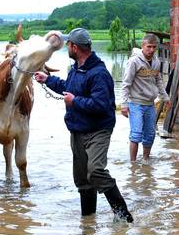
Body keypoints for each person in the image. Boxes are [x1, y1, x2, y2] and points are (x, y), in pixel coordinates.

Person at [34, 28, 133, 222]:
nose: (67, 49)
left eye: (68, 45)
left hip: (98, 130)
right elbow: (68, 88)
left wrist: (75, 101)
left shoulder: (99, 73)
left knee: (95, 171)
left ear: (74, 47)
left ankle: (123, 216)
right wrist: (48, 80)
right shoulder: (76, 69)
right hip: (78, 130)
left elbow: (102, 105)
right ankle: (88, 223)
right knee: (82, 180)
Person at [121, 34, 170, 162]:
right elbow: (126, 83)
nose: (152, 50)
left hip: (150, 104)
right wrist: (124, 104)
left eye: (154, 47)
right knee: (136, 134)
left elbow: (158, 81)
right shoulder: (134, 61)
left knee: (150, 134)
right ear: (143, 46)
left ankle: (146, 160)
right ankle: (133, 163)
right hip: (135, 103)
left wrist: (165, 98)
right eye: (149, 46)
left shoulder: (156, 62)